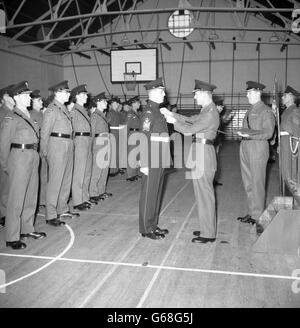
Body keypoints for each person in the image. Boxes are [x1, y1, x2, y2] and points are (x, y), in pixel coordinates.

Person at [161, 79, 220, 243]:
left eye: (196, 95)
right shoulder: (206, 110)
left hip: (203, 154)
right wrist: (172, 114)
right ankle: (206, 228)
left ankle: (208, 233)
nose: (195, 98)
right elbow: (191, 119)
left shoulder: (209, 113)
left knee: (205, 194)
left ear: (204, 94)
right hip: (200, 152)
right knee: (201, 194)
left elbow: (188, 130)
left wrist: (173, 123)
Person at [0, 81, 46, 249]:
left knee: (31, 195)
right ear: (16, 97)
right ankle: (12, 236)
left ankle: (27, 229)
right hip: (18, 158)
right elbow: (3, 146)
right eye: (26, 95)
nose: (30, 97)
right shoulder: (11, 117)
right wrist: (7, 166)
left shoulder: (29, 116)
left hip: (32, 156)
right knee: (16, 198)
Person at [236, 81, 275, 234]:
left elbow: (268, 133)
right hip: (245, 147)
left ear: (258, 93)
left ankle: (258, 215)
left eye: (250, 92)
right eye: (247, 93)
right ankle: (253, 212)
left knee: (257, 182)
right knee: (248, 182)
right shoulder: (250, 110)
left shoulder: (265, 111)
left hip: (257, 148)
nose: (247, 95)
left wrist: (250, 134)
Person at [41, 80, 76, 226]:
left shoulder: (64, 108)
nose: (68, 94)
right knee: (55, 181)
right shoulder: (52, 109)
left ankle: (62, 208)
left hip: (67, 144)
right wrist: (45, 152)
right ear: (58, 93)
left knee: (66, 180)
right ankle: (50, 214)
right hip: (56, 146)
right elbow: (45, 133)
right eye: (66, 92)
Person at [139, 77, 170, 240]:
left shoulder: (158, 111)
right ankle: (145, 228)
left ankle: (152, 224)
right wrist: (143, 162)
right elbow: (143, 137)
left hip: (159, 157)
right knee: (148, 194)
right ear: (152, 93)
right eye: (161, 91)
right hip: (151, 158)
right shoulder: (149, 112)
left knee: (156, 193)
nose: (164, 93)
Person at [70, 84, 95, 211]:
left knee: (87, 171)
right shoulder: (74, 111)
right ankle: (77, 200)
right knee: (79, 171)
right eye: (83, 94)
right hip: (79, 141)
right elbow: (72, 130)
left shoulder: (84, 110)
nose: (86, 96)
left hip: (87, 140)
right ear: (77, 97)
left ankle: (84, 197)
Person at [89, 92, 113, 201]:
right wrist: (91, 148)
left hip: (105, 142)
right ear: (98, 102)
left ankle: (101, 190)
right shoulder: (95, 116)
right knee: (97, 169)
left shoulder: (102, 115)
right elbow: (92, 132)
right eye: (104, 101)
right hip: (98, 143)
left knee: (104, 168)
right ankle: (93, 193)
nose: (106, 103)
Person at [280, 86, 300, 209]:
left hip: (291, 148)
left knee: (291, 176)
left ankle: (297, 206)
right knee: (286, 174)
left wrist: (295, 152)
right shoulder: (287, 110)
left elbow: (298, 133)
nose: (282, 97)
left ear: (291, 97)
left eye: (284, 95)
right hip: (285, 145)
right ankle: (292, 205)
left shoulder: (295, 111)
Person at [0, 84, 15, 230]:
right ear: (4, 98)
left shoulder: (14, 113)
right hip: (4, 153)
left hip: (14, 154)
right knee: (4, 186)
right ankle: (3, 214)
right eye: (11, 96)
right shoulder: (2, 113)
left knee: (11, 186)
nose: (14, 98)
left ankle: (9, 212)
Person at [30, 90, 47, 212]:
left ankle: (43, 200)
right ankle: (38, 201)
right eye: (38, 100)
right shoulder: (31, 115)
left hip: (44, 148)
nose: (41, 102)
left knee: (44, 175)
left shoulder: (42, 114)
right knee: (38, 176)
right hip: (37, 148)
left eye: (41, 100)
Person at [125, 96, 141, 181]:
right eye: (138, 102)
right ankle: (130, 175)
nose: (139, 104)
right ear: (133, 104)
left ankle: (135, 173)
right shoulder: (130, 113)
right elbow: (126, 126)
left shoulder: (137, 113)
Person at [106, 96, 122, 177]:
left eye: (117, 103)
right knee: (112, 152)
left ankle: (116, 169)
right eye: (115, 103)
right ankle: (111, 170)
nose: (117, 105)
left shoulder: (117, 113)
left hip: (117, 133)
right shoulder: (110, 113)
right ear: (111, 104)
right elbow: (107, 124)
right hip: (112, 134)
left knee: (116, 152)